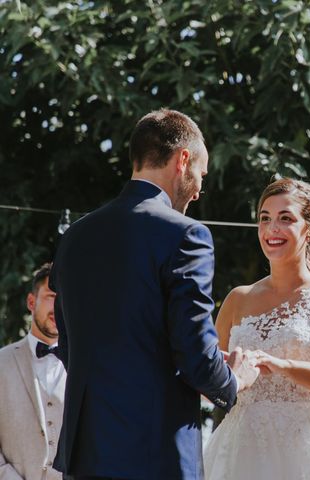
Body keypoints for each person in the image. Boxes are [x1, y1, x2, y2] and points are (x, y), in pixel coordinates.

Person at [49, 109, 259, 480]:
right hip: (154, 452)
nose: (199, 189)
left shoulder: (75, 236)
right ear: (182, 160)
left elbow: (67, 345)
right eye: (201, 174)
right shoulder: (186, 235)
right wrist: (233, 379)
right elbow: (194, 352)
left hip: (85, 455)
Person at [203, 177, 310, 479]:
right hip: (241, 448)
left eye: (286, 219)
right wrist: (225, 374)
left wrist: (282, 365)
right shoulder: (237, 299)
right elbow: (208, 383)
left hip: (309, 447)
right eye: (265, 219)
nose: (272, 229)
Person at [0, 263, 65, 480]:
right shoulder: (2, 362)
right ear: (31, 301)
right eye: (52, 295)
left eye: (66, 298)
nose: (59, 306)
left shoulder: (87, 367)